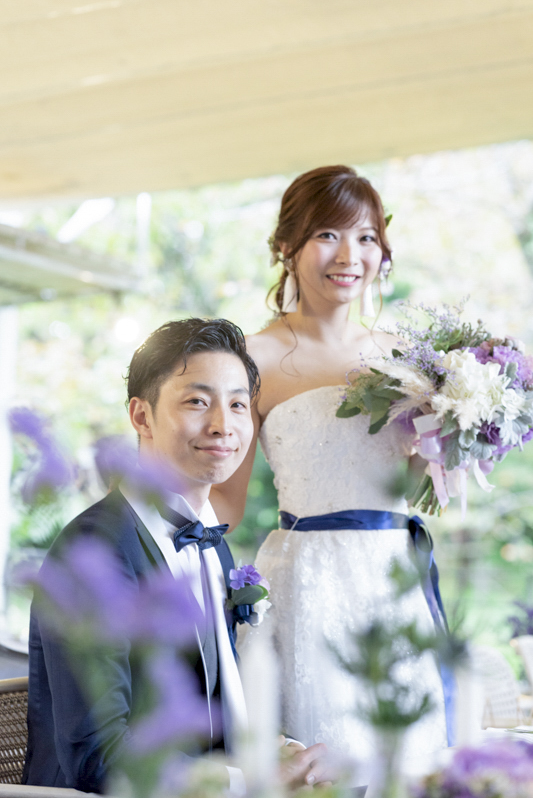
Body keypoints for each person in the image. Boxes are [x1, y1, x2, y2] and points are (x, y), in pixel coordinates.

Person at [23, 318, 331, 794]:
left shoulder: (214, 543)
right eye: (197, 402)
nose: (222, 425)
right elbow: (97, 759)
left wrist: (279, 753)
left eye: (237, 405)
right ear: (141, 416)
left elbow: (213, 708)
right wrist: (245, 782)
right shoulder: (94, 553)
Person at [210, 166, 450, 777]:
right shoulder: (252, 357)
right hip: (306, 581)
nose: (349, 256)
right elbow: (225, 507)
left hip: (394, 581)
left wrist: (455, 434)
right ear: (286, 246)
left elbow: (415, 485)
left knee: (404, 764)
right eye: (327, 235)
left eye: (366, 237)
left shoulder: (405, 356)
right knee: (320, 765)